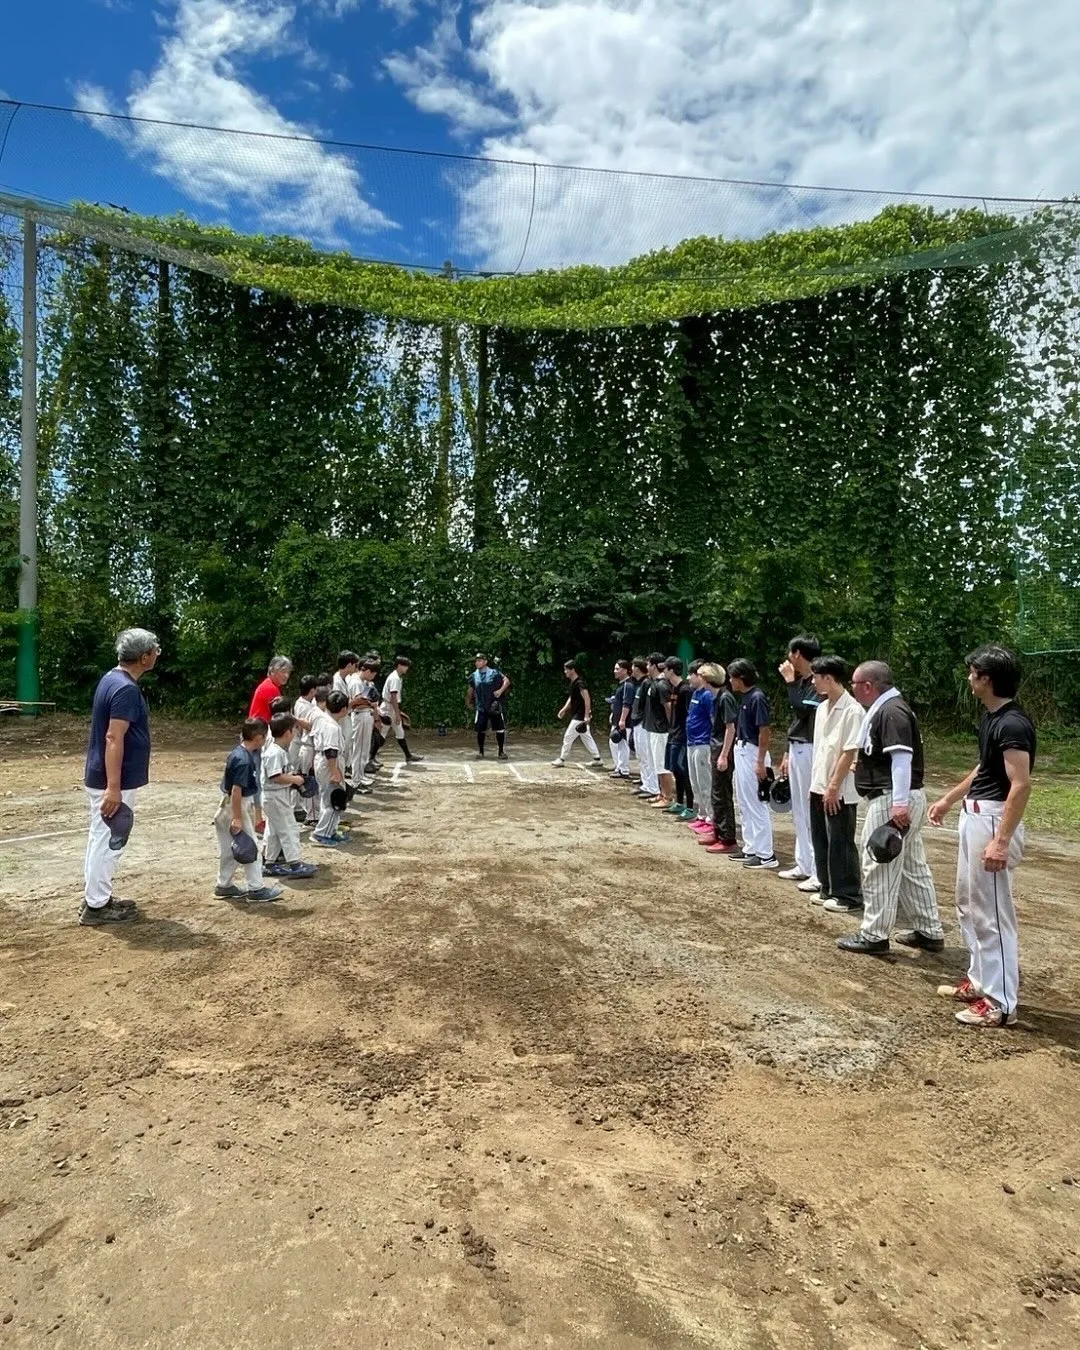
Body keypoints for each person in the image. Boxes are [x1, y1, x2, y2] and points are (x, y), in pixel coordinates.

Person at [928, 645, 1036, 1028]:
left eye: (973, 673)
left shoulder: (1013, 724)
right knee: (968, 905)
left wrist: (1002, 840)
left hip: (993, 820)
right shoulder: (993, 719)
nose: (969, 679)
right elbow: (984, 769)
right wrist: (948, 799)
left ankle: (1001, 1002)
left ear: (986, 678)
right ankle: (980, 979)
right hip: (977, 815)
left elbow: (1020, 784)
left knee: (991, 913)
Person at [836, 661, 944, 955]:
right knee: (911, 866)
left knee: (877, 863)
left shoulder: (891, 711)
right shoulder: (886, 708)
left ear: (868, 686)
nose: (852, 689)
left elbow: (900, 760)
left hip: (893, 800)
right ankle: (929, 930)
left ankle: (874, 935)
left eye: (854, 684)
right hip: (901, 798)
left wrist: (898, 805)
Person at [80, 628, 160, 925]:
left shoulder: (111, 679)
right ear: (143, 657)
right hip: (114, 779)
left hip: (108, 776)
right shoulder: (125, 688)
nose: (157, 654)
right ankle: (97, 906)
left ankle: (96, 897)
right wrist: (113, 787)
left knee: (100, 837)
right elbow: (114, 737)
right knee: (110, 839)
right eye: (155, 650)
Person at [806, 655, 863, 911]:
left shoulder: (852, 710)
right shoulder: (821, 708)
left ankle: (848, 894)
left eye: (816, 678)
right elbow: (821, 750)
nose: (813, 683)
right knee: (821, 838)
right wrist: (817, 785)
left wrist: (833, 787)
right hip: (819, 783)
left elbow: (848, 752)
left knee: (840, 839)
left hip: (840, 788)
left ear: (828, 678)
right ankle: (827, 885)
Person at [213, 718, 283, 903]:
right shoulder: (244, 760)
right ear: (258, 737)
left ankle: (224, 885)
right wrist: (237, 818)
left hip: (227, 805)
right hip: (237, 805)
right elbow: (237, 790)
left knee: (231, 849)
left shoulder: (237, 753)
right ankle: (256, 889)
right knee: (250, 847)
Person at [777, 635, 822, 884]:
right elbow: (795, 719)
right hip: (797, 746)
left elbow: (803, 709)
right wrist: (785, 752)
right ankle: (803, 863)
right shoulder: (802, 680)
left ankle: (817, 870)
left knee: (810, 808)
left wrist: (790, 683)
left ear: (797, 654)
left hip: (811, 746)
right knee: (799, 810)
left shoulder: (817, 680)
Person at [727, 659, 777, 869]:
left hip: (752, 751)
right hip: (742, 749)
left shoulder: (757, 697)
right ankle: (751, 847)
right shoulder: (746, 697)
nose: (730, 681)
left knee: (756, 804)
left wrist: (759, 761)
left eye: (733, 677)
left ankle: (766, 854)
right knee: (745, 801)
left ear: (741, 678)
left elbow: (764, 731)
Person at [261, 713, 318, 880]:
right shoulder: (275, 752)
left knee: (274, 830)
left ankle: (270, 863)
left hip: (276, 796)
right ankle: (295, 864)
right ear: (287, 733)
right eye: (294, 730)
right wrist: (295, 779)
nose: (295, 733)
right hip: (275, 796)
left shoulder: (278, 751)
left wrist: (292, 777)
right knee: (289, 828)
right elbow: (275, 777)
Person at [697, 663, 738, 855]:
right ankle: (718, 830)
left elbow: (731, 728)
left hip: (722, 749)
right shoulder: (715, 698)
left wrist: (723, 755)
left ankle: (728, 838)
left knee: (722, 794)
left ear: (707, 679)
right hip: (715, 747)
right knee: (716, 793)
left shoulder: (725, 698)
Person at [312, 689, 351, 845]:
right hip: (329, 763)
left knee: (328, 798)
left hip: (324, 761)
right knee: (332, 800)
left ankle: (330, 830)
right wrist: (335, 772)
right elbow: (330, 751)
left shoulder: (323, 719)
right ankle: (321, 833)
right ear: (343, 709)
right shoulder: (332, 727)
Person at [660, 657, 694, 817]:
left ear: (671, 670)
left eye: (665, 669)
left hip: (682, 736)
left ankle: (690, 805)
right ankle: (680, 802)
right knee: (675, 769)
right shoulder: (674, 689)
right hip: (673, 733)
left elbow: (689, 715)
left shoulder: (685, 690)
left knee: (682, 769)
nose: (663, 672)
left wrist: (685, 735)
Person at [552, 660, 603, 767]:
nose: (565, 671)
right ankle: (597, 758)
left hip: (580, 715)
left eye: (567, 669)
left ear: (573, 670)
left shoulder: (580, 683)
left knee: (568, 736)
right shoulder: (573, 683)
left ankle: (562, 759)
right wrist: (563, 709)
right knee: (586, 737)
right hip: (577, 714)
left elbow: (587, 699)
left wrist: (586, 715)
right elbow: (571, 698)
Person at [685, 660, 715, 833]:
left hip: (703, 743)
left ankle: (712, 818)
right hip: (692, 742)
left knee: (705, 783)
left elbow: (713, 720)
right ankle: (702, 815)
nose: (688, 677)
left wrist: (712, 745)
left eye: (691, 674)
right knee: (695, 782)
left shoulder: (707, 696)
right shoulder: (696, 693)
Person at [639, 653, 673, 804]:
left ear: (653, 665)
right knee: (656, 764)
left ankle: (667, 796)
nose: (646, 667)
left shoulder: (662, 685)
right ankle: (661, 793)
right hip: (652, 729)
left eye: (648, 664)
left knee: (661, 764)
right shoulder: (653, 683)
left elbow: (668, 707)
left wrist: (671, 726)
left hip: (660, 730)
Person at [380, 656, 424, 764]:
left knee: (399, 732)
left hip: (391, 707)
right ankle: (370, 756)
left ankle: (408, 755)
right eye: (405, 666)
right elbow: (393, 697)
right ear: (399, 665)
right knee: (382, 733)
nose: (406, 668)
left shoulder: (397, 677)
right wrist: (397, 713)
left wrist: (398, 711)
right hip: (388, 708)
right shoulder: (394, 678)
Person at [467, 653, 511, 759]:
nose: (477, 663)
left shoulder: (494, 673)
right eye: (476, 661)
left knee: (500, 729)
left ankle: (501, 751)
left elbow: (507, 681)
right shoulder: (474, 676)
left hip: (494, 705)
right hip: (481, 706)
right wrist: (468, 702)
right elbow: (470, 689)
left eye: (480, 660)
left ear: (485, 662)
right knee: (480, 729)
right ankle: (481, 752)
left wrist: (500, 691)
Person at [628, 659, 655, 798]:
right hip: (637, 723)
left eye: (633, 666)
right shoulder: (639, 684)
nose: (631, 668)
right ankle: (646, 783)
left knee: (646, 756)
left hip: (643, 724)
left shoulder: (647, 683)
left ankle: (652, 786)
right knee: (641, 756)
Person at [607, 660, 635, 779]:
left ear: (625, 670)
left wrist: (622, 720)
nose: (615, 671)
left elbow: (626, 704)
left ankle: (623, 769)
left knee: (622, 744)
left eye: (617, 669)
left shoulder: (627, 685)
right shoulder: (621, 685)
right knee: (614, 743)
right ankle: (619, 767)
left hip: (624, 722)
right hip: (617, 719)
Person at [249, 656, 292, 724]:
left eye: (288, 672)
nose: (286, 675)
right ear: (272, 671)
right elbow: (280, 718)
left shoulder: (270, 684)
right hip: (260, 731)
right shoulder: (270, 688)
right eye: (283, 671)